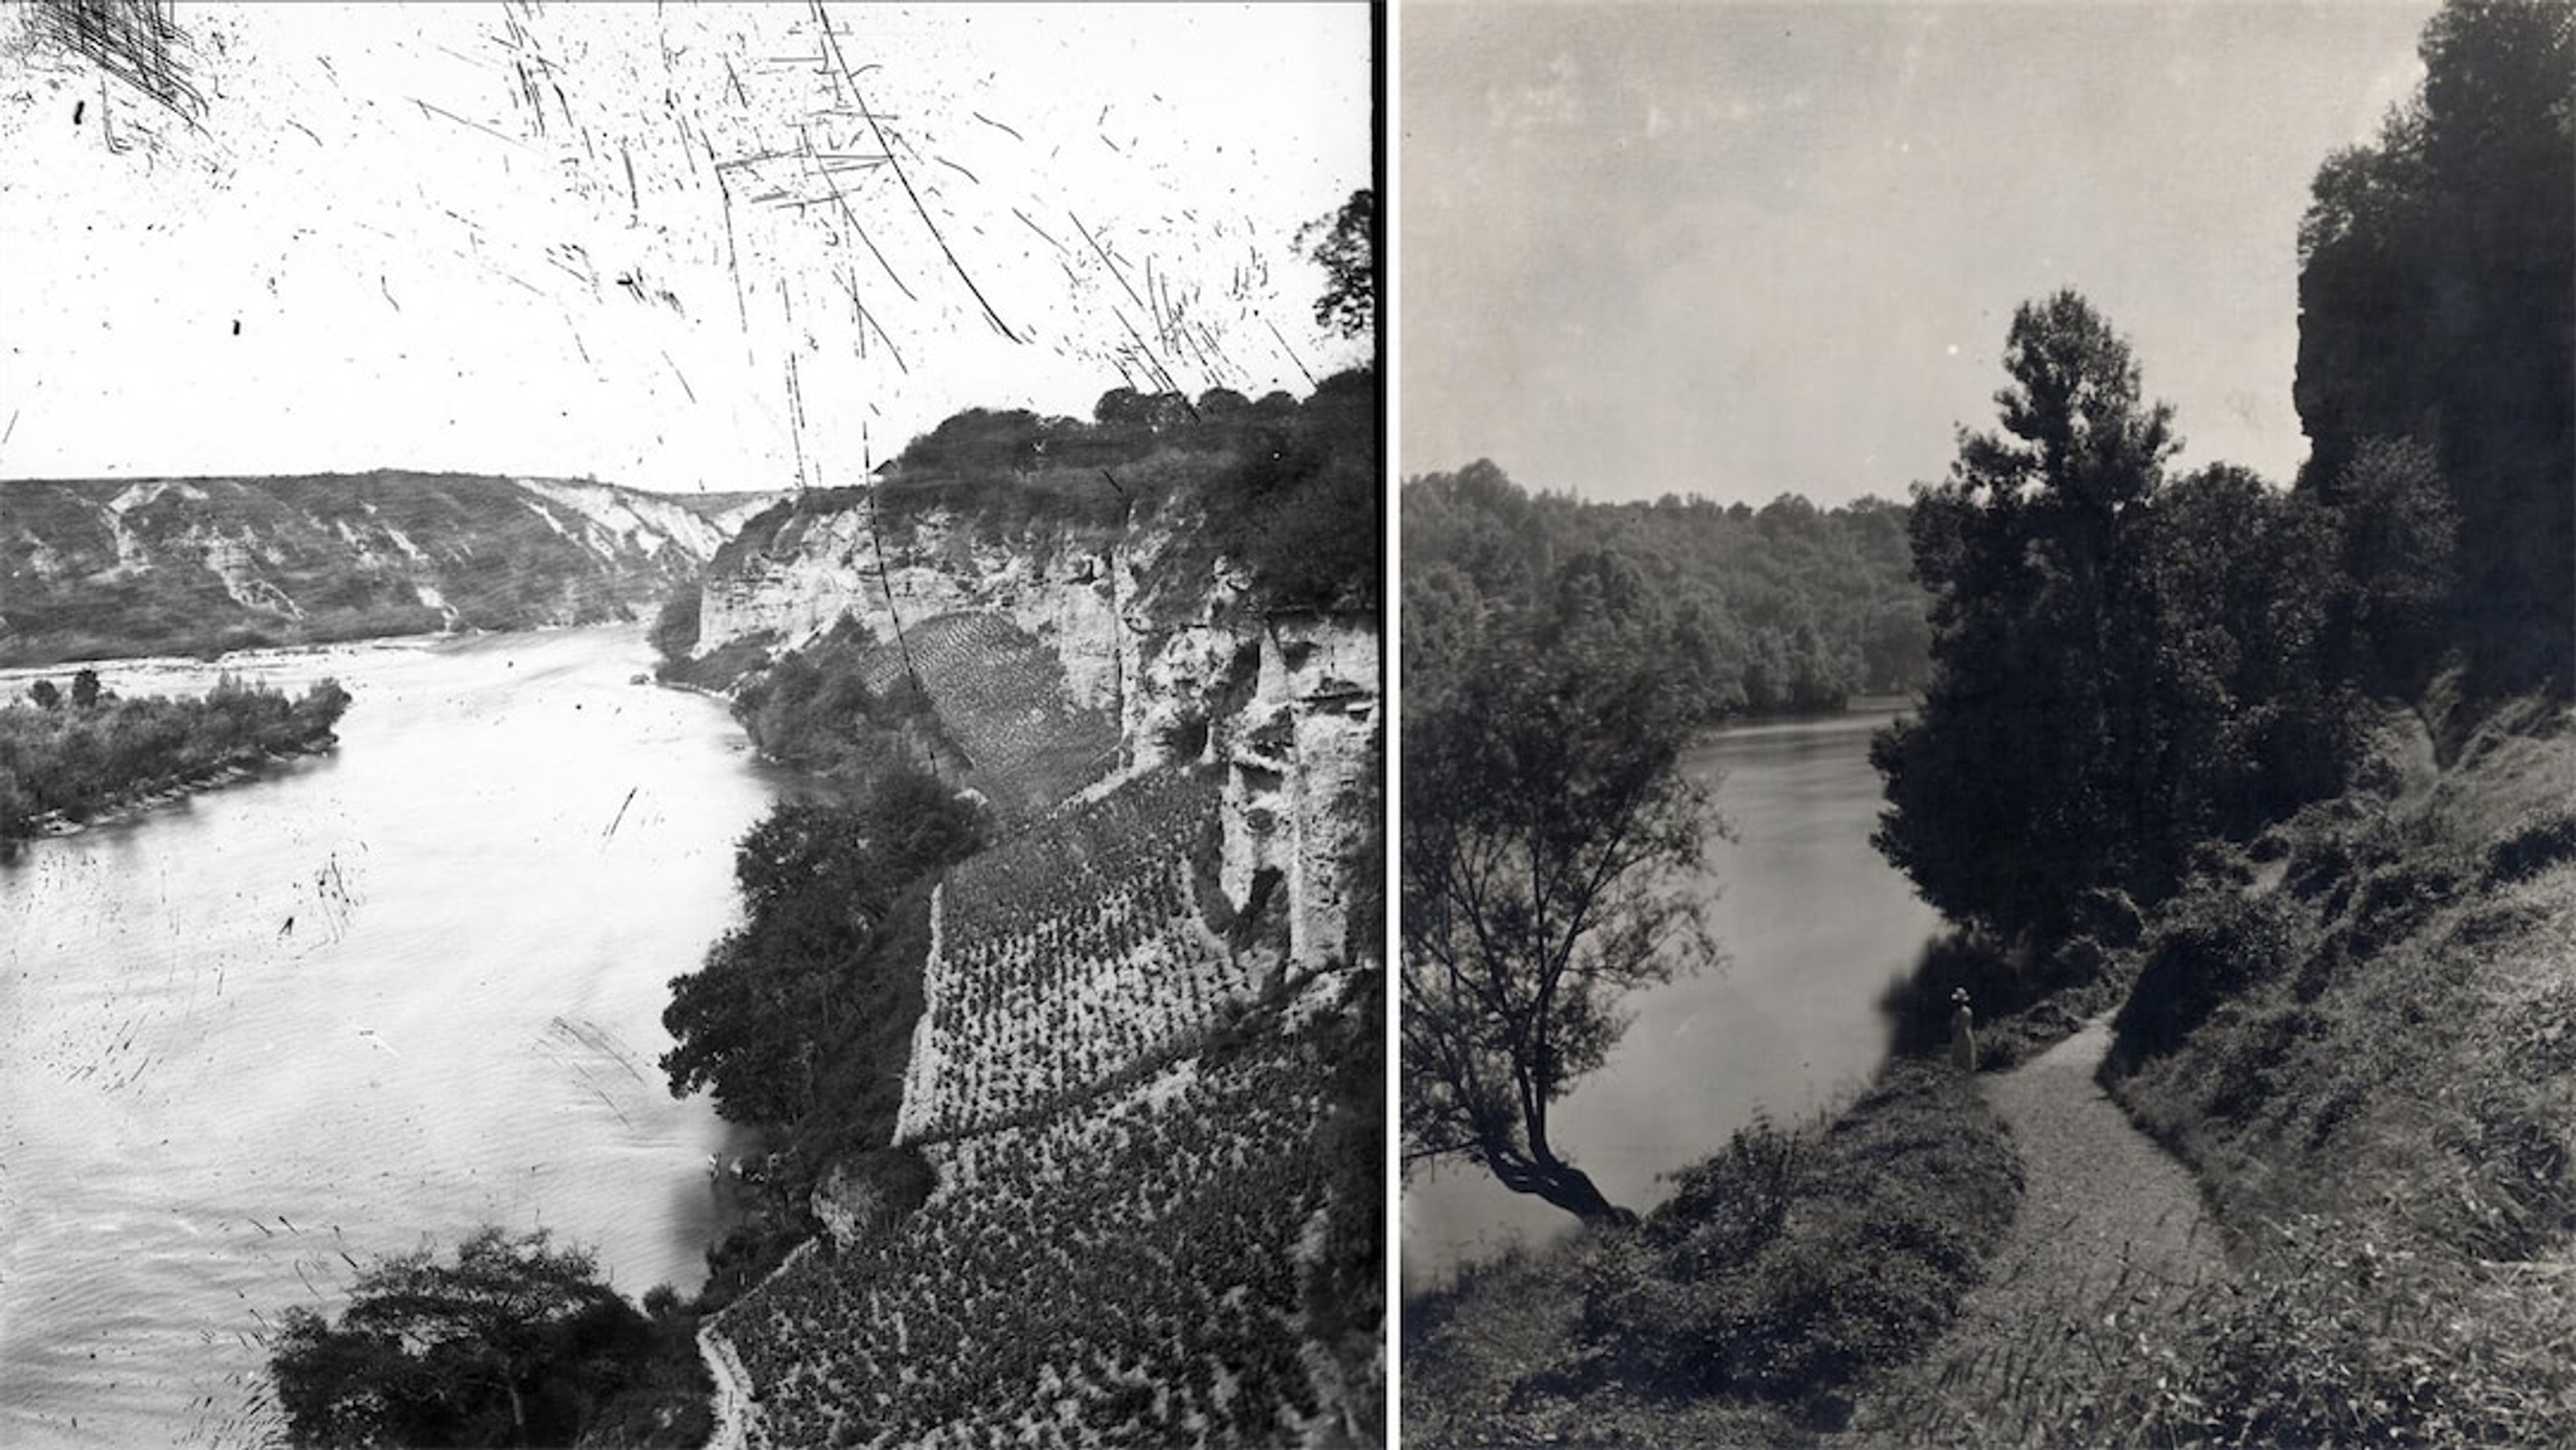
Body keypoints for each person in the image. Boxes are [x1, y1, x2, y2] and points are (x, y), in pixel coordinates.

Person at [1950, 987, 1978, 1072]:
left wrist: (1954, 1032)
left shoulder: (1961, 1012)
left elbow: (1959, 1026)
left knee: (1961, 1060)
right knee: (1966, 1059)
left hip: (1961, 1036)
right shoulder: (1968, 1011)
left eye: (1957, 1001)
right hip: (1967, 1035)